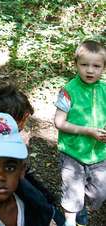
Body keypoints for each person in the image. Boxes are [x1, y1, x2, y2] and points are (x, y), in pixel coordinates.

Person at [54, 40, 106, 226]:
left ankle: (80, 204)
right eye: (84, 65)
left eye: (96, 66)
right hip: (72, 152)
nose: (90, 70)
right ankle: (71, 219)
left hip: (100, 154)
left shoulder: (104, 90)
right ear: (75, 64)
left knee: (99, 193)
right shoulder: (69, 91)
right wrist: (87, 131)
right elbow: (59, 122)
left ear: (103, 67)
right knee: (72, 192)